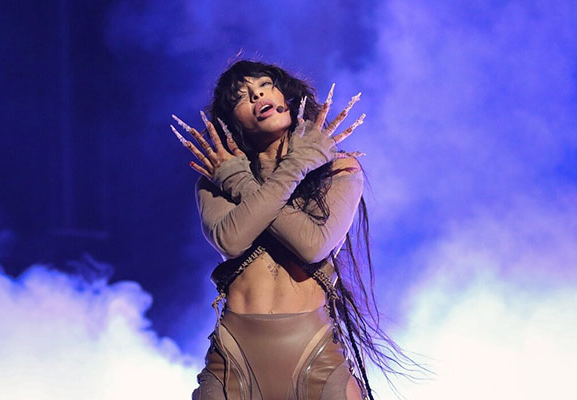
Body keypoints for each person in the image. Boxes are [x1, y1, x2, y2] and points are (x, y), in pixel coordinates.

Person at [171, 60, 404, 400]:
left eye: (265, 84)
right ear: (232, 123)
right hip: (234, 362)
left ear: (286, 97)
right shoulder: (215, 181)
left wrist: (255, 178)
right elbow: (231, 240)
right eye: (241, 97)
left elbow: (312, 245)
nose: (257, 95)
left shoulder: (339, 169)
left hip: (316, 358)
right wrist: (284, 169)